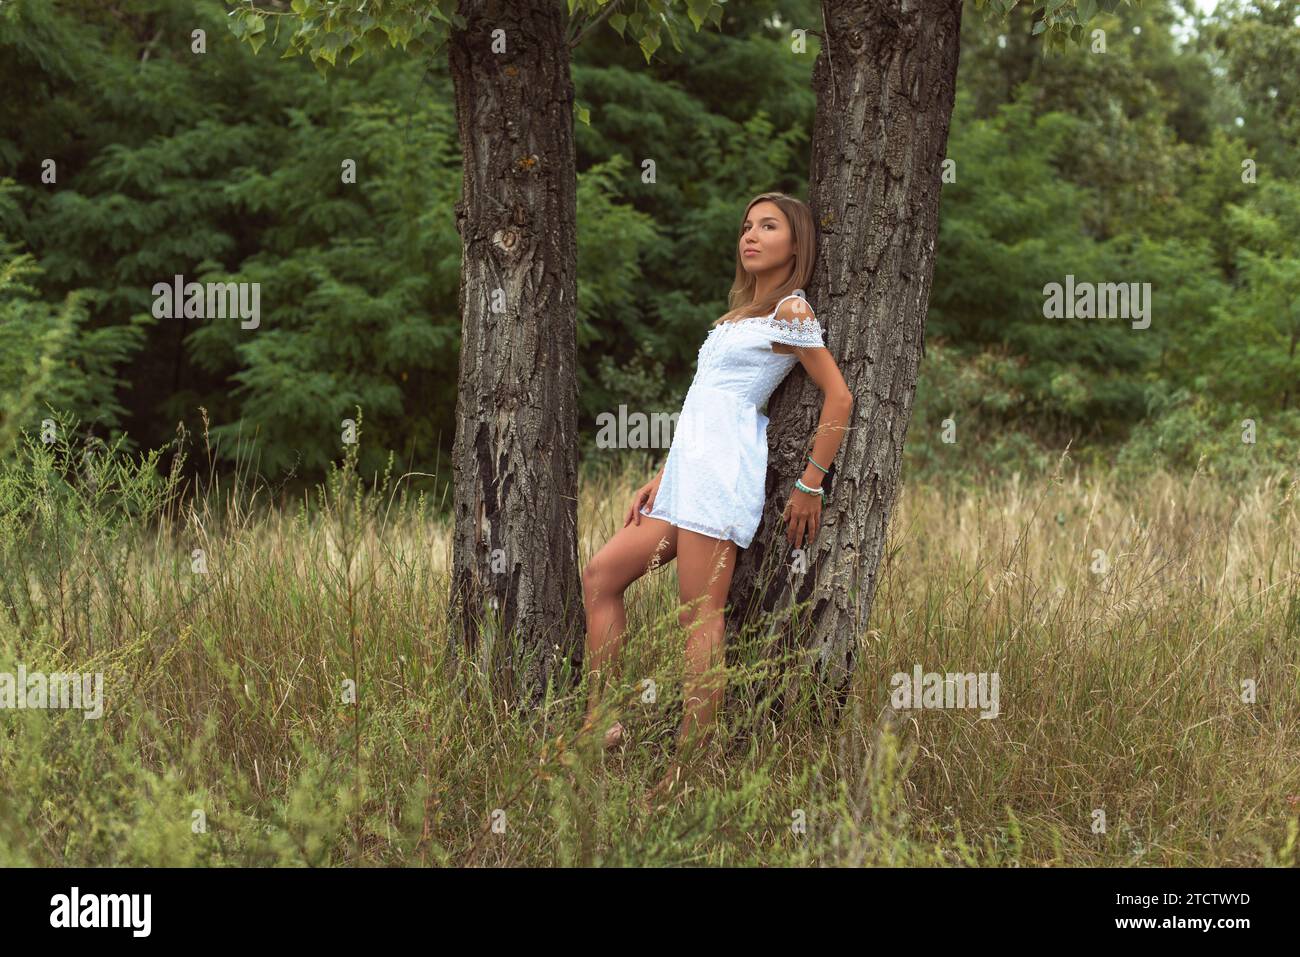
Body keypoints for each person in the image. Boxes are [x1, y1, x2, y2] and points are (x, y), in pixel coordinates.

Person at [580, 191, 854, 808]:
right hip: (687, 477)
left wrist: (811, 483)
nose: (750, 235)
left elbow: (839, 399)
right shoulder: (742, 312)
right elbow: (705, 402)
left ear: (796, 243)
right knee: (601, 576)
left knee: (698, 617)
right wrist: (663, 472)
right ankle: (604, 722)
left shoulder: (791, 309)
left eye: (768, 226)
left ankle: (688, 772)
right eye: (746, 226)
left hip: (722, 474)